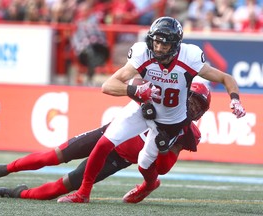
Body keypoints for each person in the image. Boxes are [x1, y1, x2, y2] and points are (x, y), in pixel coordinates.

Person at [60, 16, 246, 204]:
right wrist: (136, 90)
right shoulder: (142, 52)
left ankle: (149, 184)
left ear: (175, 45)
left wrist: (235, 100)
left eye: (164, 45)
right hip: (146, 108)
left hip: (170, 120)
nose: (158, 48)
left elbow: (225, 78)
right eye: (156, 42)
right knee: (104, 143)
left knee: (144, 164)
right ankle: (83, 193)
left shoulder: (189, 58)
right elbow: (108, 85)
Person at [0, 82, 210, 201]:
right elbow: (133, 85)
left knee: (66, 184)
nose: (192, 107)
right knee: (54, 155)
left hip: (118, 158)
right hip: (106, 134)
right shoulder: (160, 96)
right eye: (192, 100)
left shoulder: (187, 133)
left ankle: (19, 193)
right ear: (181, 94)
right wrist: (142, 96)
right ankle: (4, 169)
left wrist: (162, 147)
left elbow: (163, 167)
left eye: (199, 106)